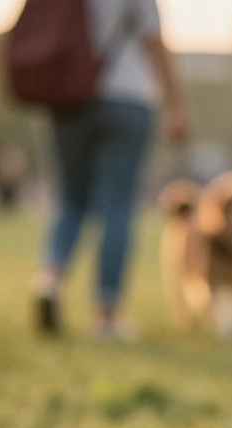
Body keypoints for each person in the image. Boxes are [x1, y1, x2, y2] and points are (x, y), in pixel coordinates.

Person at [33, 0, 189, 340]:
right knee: (117, 205)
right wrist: (176, 105)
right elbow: (154, 44)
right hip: (127, 101)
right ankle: (106, 316)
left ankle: (50, 282)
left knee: (71, 200)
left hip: (68, 99)